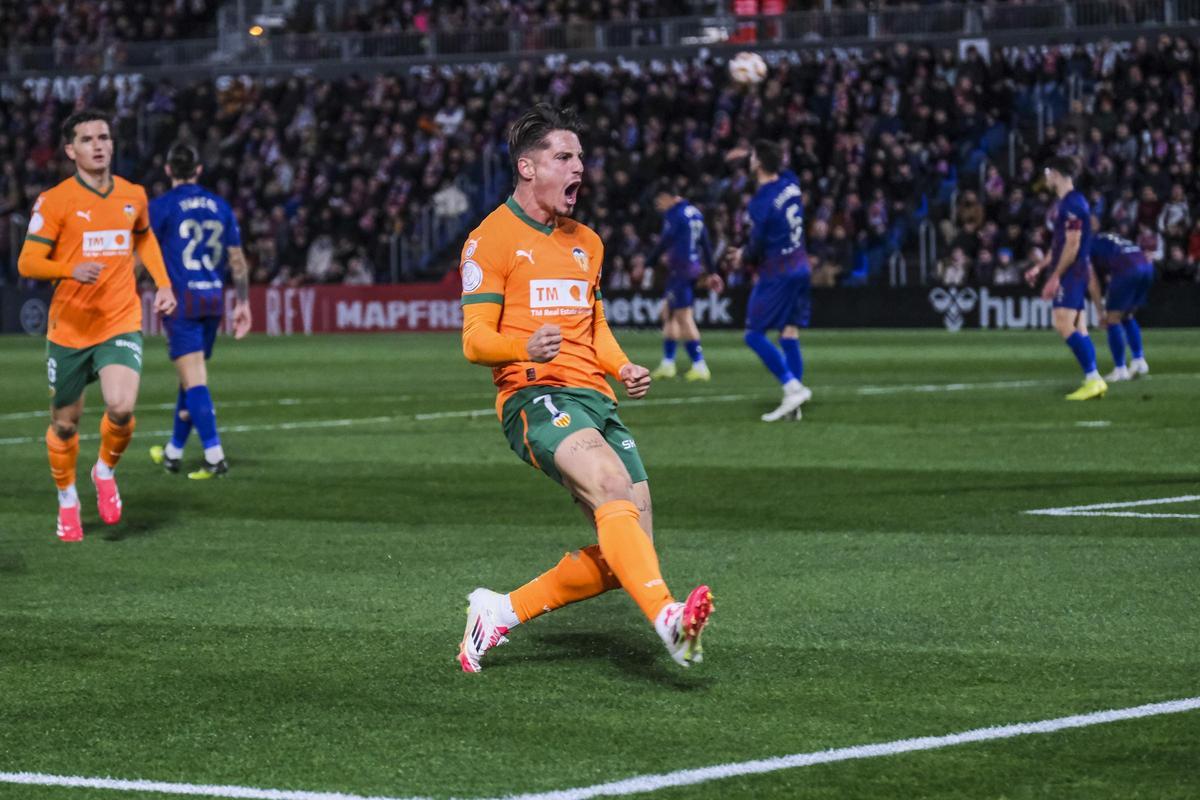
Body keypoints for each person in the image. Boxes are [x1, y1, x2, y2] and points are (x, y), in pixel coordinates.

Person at [455, 104, 713, 673]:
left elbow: (592, 324)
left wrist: (621, 367)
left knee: (633, 550)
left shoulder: (587, 242)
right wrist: (524, 348)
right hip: (535, 394)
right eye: (564, 157)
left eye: (581, 158)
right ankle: (670, 622)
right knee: (610, 484)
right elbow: (474, 341)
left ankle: (500, 611)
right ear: (528, 168)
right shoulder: (490, 239)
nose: (580, 168)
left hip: (595, 396)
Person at [17, 109, 177, 541]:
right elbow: (28, 260)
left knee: (121, 407)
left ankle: (104, 471)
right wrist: (70, 269)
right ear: (70, 150)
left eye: (103, 137)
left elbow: (142, 234)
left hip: (118, 320)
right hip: (69, 328)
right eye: (87, 139)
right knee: (65, 424)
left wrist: (163, 283)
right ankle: (67, 498)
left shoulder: (133, 194)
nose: (99, 145)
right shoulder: (55, 201)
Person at [147, 143, 252, 478]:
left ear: (167, 170)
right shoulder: (220, 206)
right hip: (212, 300)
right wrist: (244, 303)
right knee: (190, 376)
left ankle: (214, 456)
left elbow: (140, 255)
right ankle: (173, 453)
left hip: (182, 300)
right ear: (199, 170)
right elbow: (237, 261)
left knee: (193, 380)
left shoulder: (161, 207)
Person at [738, 140, 813, 422]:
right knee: (789, 332)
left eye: (752, 155)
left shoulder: (761, 201)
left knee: (753, 334)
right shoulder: (791, 183)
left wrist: (741, 256)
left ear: (758, 163)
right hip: (801, 266)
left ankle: (792, 387)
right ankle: (794, 406)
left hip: (777, 271)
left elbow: (755, 248)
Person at [1024, 156, 1107, 400]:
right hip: (1074, 269)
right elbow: (1060, 244)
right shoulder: (1069, 202)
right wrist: (1040, 267)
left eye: (1048, 171)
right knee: (1079, 327)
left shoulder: (1072, 203)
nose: (1046, 176)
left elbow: (1072, 245)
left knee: (1062, 323)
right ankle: (1093, 379)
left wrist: (1055, 277)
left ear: (1058, 174)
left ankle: (1094, 379)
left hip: (1073, 270)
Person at [647, 189, 724, 381]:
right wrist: (712, 270)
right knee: (669, 313)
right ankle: (668, 364)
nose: (659, 205)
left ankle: (699, 365)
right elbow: (705, 243)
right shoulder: (695, 212)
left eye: (660, 200)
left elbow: (666, 239)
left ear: (670, 197)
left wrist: (650, 261)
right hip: (691, 268)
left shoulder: (674, 214)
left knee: (684, 317)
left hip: (679, 270)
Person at [1087, 227, 1153, 381]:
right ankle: (1139, 361)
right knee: (1127, 315)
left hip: (1127, 268)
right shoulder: (1105, 237)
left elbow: (1092, 281)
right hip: (1146, 266)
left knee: (1113, 319)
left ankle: (1120, 369)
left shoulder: (1085, 246)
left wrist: (1100, 311)